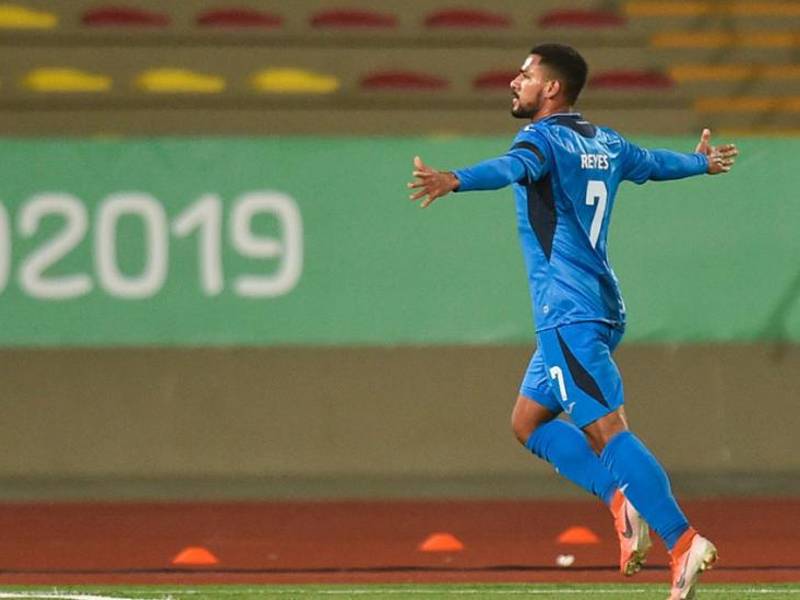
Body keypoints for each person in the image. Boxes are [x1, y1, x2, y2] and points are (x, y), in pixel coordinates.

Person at [407, 43, 738, 600]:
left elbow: (512, 168)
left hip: (567, 313)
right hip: (600, 306)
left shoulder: (540, 139)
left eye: (526, 74)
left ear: (552, 89)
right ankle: (620, 499)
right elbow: (654, 164)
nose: (515, 81)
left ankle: (683, 540)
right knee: (528, 423)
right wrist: (701, 163)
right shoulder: (604, 142)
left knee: (608, 431)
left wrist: (456, 179)